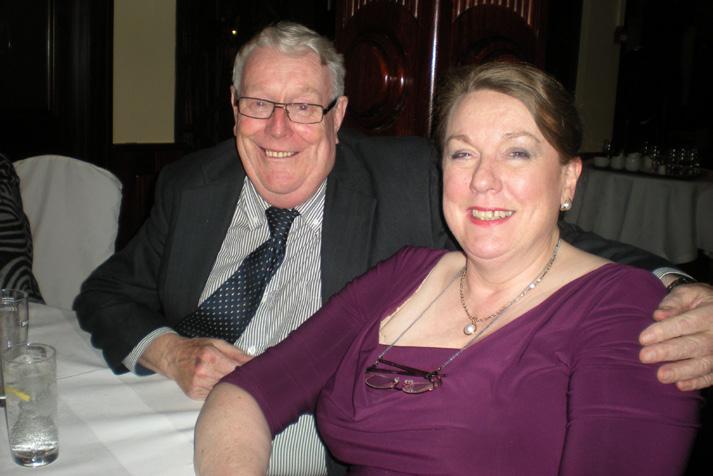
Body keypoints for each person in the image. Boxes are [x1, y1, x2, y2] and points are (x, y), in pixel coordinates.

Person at [75, 22, 713, 474]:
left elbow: (534, 234)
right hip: (189, 417)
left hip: (316, 443)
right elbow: (106, 293)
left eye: (304, 107)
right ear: (234, 107)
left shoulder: (408, 181)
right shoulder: (191, 185)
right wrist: (169, 351)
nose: (278, 129)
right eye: (259, 104)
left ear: (338, 115)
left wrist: (676, 288)